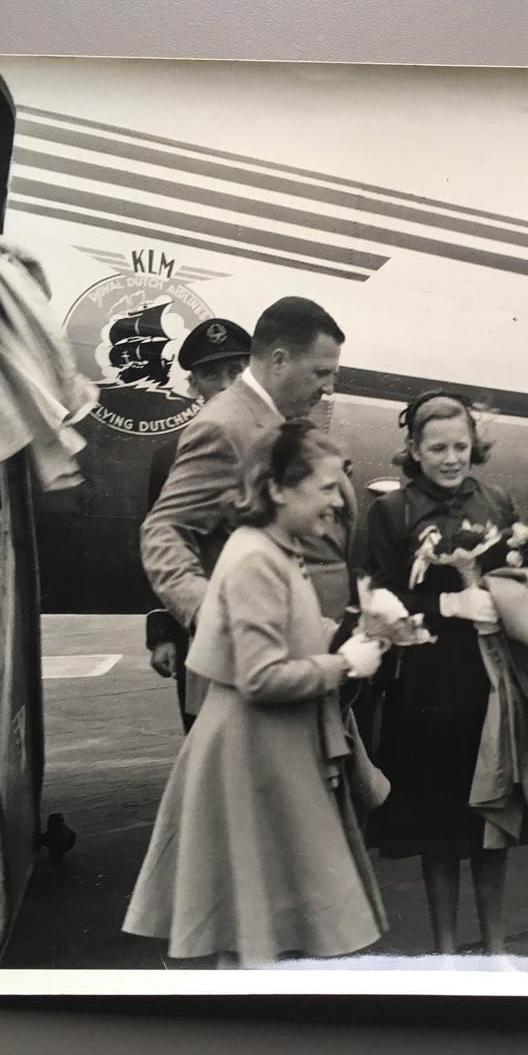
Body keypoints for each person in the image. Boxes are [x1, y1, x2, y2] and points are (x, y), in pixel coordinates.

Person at [122, 421, 391, 967]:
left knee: (252, 921)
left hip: (265, 750)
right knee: (251, 922)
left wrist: (349, 635)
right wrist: (343, 663)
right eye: (324, 488)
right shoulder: (257, 559)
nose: (337, 503)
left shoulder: (269, 547)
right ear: (276, 489)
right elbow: (262, 677)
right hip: (254, 753)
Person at [363, 393, 528, 959]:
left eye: (461, 446)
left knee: (491, 817)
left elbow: (514, 579)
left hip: (489, 680)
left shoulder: (497, 500)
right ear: (413, 449)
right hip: (427, 683)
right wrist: (446, 608)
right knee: (438, 828)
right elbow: (380, 598)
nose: (451, 458)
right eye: (437, 448)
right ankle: (446, 952)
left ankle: (497, 947)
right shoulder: (391, 512)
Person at [140, 297, 354, 721]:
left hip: (302, 654)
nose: (328, 388)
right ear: (278, 361)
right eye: (320, 372)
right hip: (259, 670)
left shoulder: (278, 420)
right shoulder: (225, 427)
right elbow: (164, 532)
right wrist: (213, 613)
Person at [142, 318, 254, 734]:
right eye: (212, 375)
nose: (225, 384)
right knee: (206, 738)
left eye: (235, 372)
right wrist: (163, 634)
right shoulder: (170, 456)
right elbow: (162, 545)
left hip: (269, 615)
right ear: (193, 386)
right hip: (202, 623)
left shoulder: (283, 445)